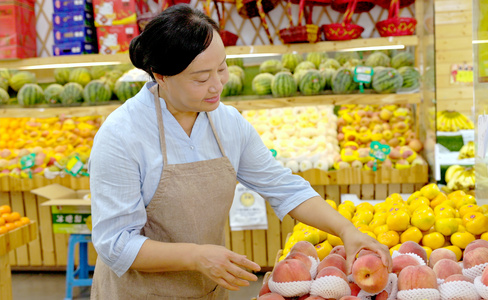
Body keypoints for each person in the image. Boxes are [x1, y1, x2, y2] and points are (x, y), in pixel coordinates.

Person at [88, 4, 392, 299]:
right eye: (201, 78)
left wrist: (345, 229)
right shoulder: (121, 136)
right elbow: (116, 244)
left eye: (222, 68)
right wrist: (196, 256)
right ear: (161, 76)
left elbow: (284, 188)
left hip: (207, 288)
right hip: (138, 292)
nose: (217, 85)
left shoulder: (228, 123)